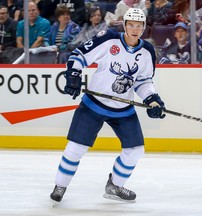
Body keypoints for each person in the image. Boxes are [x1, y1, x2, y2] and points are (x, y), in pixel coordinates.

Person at [50, 8, 166, 203]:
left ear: (144, 27)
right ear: (125, 25)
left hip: (123, 110)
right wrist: (74, 75)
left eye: (139, 25)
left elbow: (143, 81)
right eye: (131, 25)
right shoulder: (109, 38)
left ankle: (115, 185)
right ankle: (60, 186)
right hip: (94, 105)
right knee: (76, 149)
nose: (135, 29)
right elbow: (79, 55)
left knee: (136, 150)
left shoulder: (147, 51)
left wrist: (152, 99)